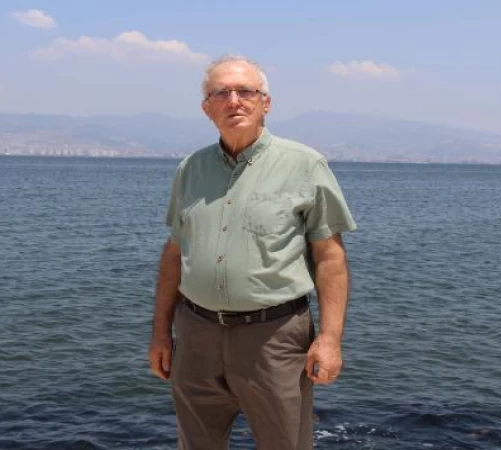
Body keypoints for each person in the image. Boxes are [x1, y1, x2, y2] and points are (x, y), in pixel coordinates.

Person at [148, 54, 357, 450]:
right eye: (221, 93)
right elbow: (175, 253)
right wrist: (161, 333)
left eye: (246, 91)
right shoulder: (191, 168)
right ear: (206, 108)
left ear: (266, 102)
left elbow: (330, 258)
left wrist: (330, 339)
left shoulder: (305, 165)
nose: (234, 101)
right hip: (196, 335)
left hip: (273, 338)